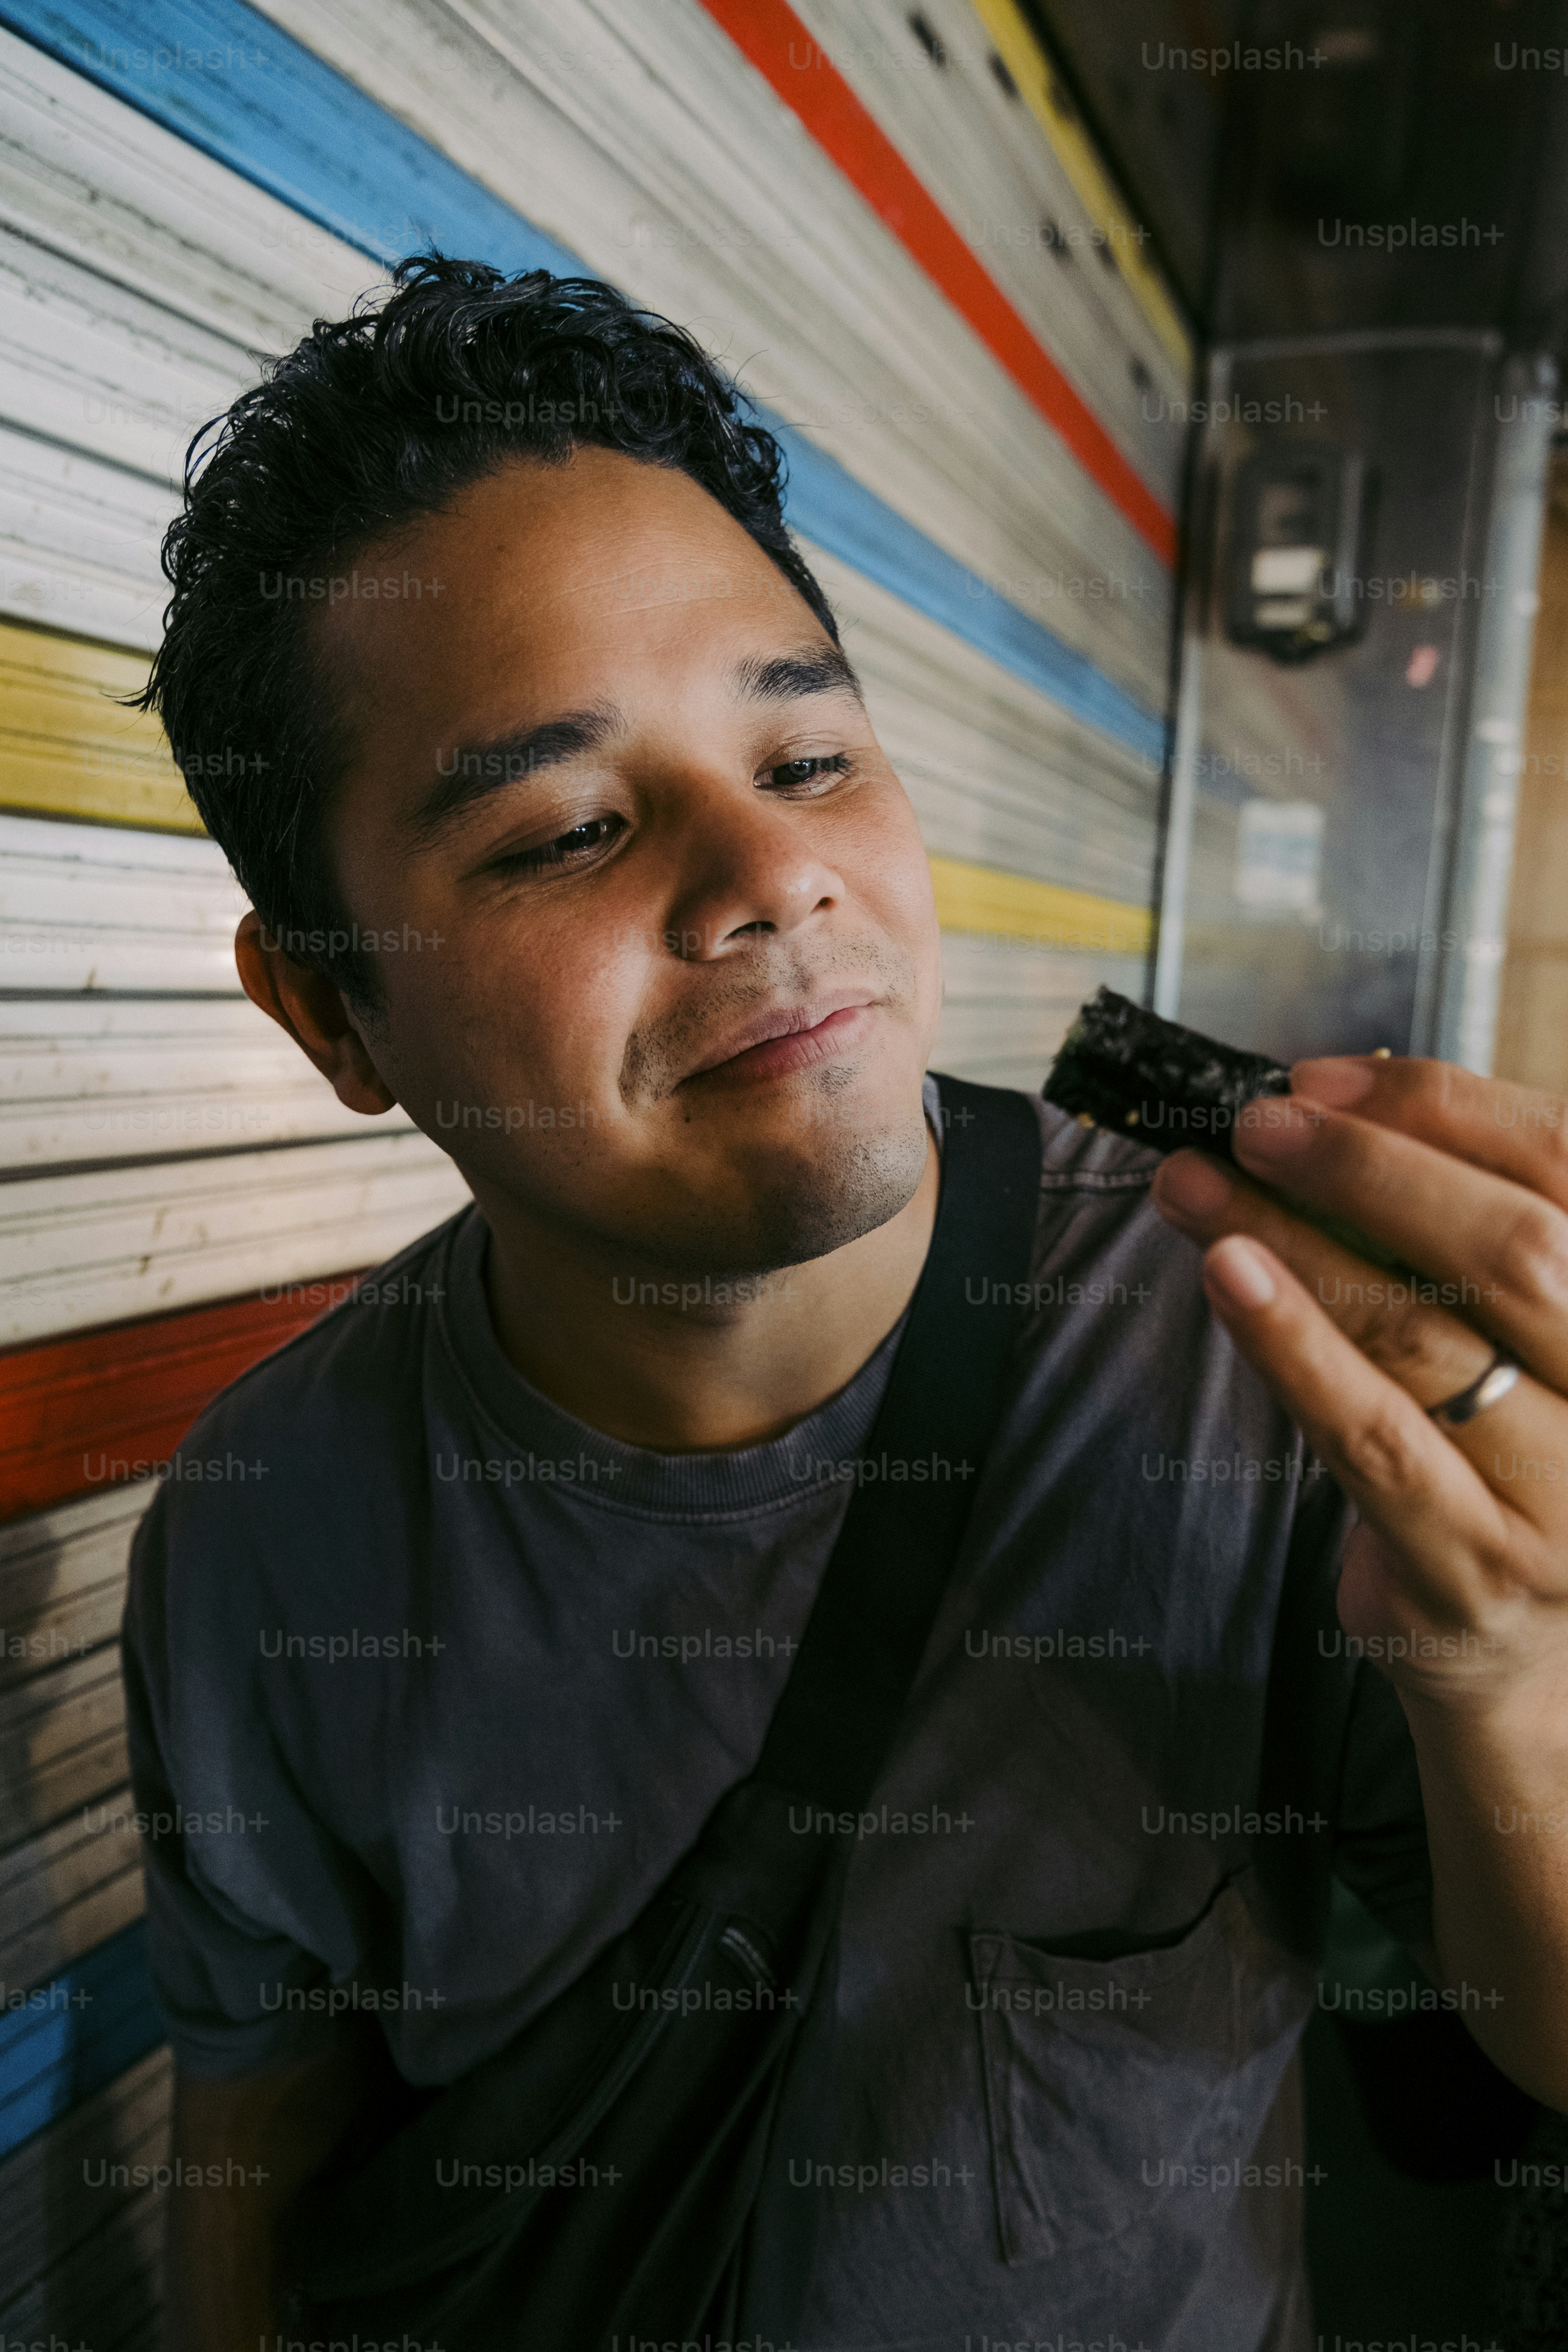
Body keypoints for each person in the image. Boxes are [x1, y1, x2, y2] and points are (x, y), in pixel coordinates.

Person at [127, 255, 1568, 2351]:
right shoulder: (269, 1519)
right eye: (567, 829)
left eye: (806, 758)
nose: (771, 880)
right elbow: (257, 2131)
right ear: (333, 1012)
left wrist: (1516, 1662)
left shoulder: (1259, 1349)